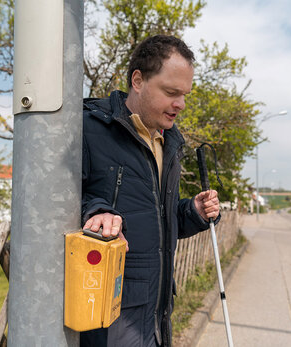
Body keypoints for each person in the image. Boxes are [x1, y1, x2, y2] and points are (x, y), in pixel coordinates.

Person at [81, 35, 220, 347]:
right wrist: (96, 212)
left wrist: (193, 212)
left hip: (157, 316)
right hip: (108, 321)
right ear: (138, 80)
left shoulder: (168, 143)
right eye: (171, 92)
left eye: (184, 95)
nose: (180, 105)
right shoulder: (88, 127)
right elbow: (53, 205)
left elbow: (158, 220)